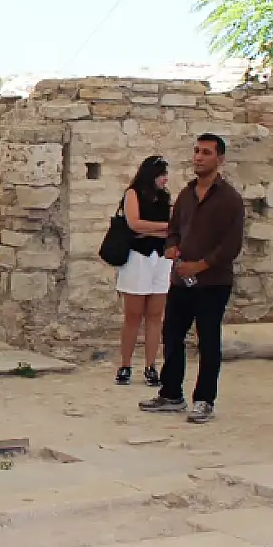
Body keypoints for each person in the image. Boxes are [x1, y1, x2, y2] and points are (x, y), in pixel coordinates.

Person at [139, 134, 245, 423]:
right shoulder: (186, 194)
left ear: (219, 159)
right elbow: (174, 229)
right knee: (172, 334)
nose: (198, 157)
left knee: (208, 340)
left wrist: (200, 265)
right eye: (197, 151)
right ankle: (171, 392)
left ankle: (205, 399)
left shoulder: (230, 200)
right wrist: (172, 247)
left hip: (213, 283)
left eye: (206, 152)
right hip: (181, 281)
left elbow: (231, 245)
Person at [113, 155, 173, 388]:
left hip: (161, 259)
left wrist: (155, 230)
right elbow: (135, 224)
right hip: (138, 259)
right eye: (162, 174)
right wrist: (164, 228)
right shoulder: (133, 194)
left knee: (156, 316)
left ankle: (151, 366)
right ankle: (125, 364)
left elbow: (172, 229)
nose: (165, 179)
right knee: (133, 315)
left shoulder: (165, 198)